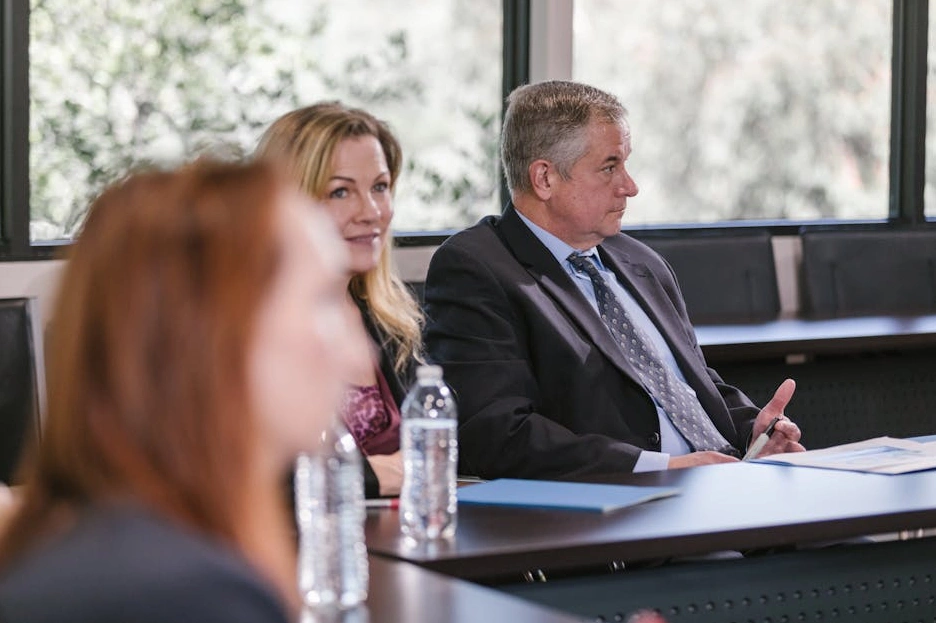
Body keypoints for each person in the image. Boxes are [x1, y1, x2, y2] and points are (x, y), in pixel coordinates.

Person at [0, 159, 370, 622]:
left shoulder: (84, 543)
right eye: (322, 301)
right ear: (216, 335)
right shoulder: (187, 595)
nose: (360, 356)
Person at [424, 80, 805, 479]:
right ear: (544, 179)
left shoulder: (642, 262)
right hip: (621, 513)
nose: (630, 186)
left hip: (726, 488)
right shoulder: (476, 269)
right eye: (610, 167)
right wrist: (660, 468)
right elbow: (495, 433)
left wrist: (754, 434)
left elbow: (689, 387)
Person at [256, 102, 424, 498]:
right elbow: (247, 475)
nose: (371, 212)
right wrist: (371, 476)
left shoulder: (392, 319)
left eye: (380, 187)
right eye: (340, 191)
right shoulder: (248, 329)